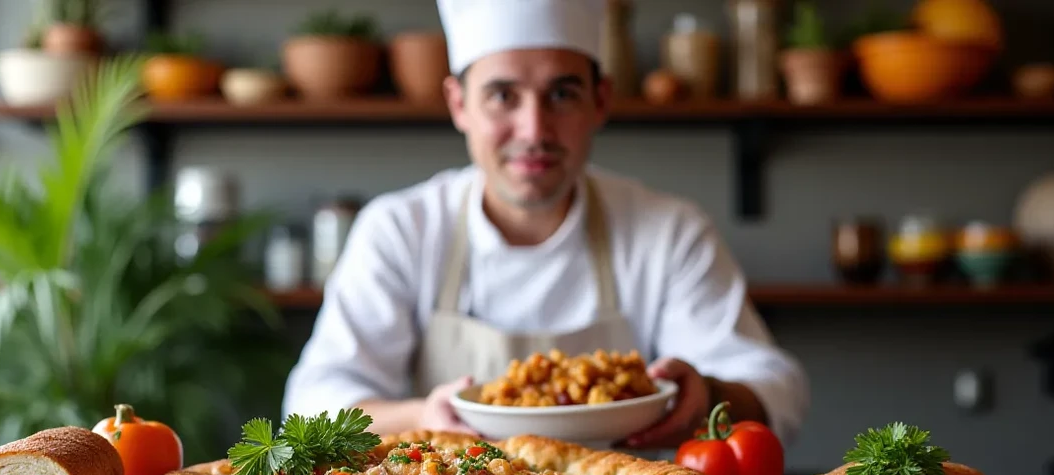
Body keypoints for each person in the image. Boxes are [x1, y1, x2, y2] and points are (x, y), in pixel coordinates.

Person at [282, 0, 810, 450]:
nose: (534, 130)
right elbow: (312, 406)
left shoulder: (668, 231)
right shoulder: (400, 229)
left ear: (600, 101)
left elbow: (776, 389)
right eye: (503, 96)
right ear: (459, 104)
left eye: (561, 95)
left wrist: (706, 396)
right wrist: (423, 418)